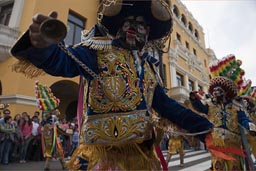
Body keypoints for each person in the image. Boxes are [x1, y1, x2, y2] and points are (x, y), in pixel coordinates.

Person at [10, 1, 213, 170]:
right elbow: (61, 61)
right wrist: (43, 45)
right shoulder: (96, 51)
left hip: (139, 160)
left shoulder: (149, 70)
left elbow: (170, 108)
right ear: (119, 27)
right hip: (99, 160)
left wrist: (207, 130)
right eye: (128, 23)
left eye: (140, 24)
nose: (133, 27)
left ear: (148, 32)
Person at [34, 81, 67, 170]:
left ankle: (62, 165)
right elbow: (49, 128)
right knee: (51, 151)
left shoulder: (53, 119)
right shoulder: (46, 122)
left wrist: (63, 131)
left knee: (58, 151)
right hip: (49, 138)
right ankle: (49, 166)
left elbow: (59, 128)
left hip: (55, 138)